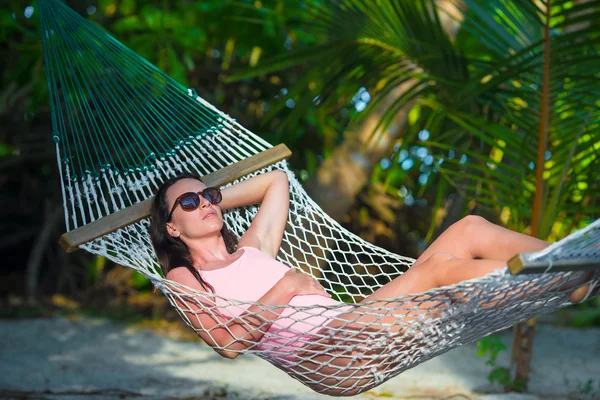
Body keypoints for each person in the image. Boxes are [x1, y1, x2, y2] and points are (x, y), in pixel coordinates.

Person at [149, 170, 591, 395]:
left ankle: (569, 264)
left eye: (210, 196)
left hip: (347, 329)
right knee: (435, 272)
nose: (206, 203)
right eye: (191, 201)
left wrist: (209, 195)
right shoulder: (186, 276)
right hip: (324, 357)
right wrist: (286, 288)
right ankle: (555, 277)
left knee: (468, 229)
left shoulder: (253, 247)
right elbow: (226, 343)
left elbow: (275, 180)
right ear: (171, 228)